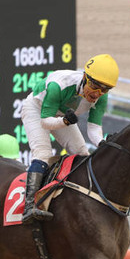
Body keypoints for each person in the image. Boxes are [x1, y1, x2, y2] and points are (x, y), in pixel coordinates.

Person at [19, 53, 119, 223]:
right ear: (85, 77)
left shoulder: (101, 97)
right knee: (43, 154)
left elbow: (94, 128)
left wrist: (101, 143)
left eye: (105, 89)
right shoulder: (59, 85)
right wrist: (64, 121)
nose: (97, 93)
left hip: (62, 114)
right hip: (37, 110)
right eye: (95, 86)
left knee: (82, 154)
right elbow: (45, 122)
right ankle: (29, 207)